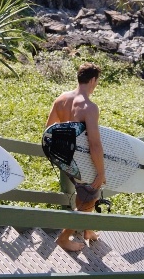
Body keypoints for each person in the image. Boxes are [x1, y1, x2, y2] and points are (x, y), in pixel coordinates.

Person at [45, 62, 106, 252]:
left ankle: (88, 231)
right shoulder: (89, 107)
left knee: (84, 197)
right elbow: (95, 145)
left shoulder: (61, 100)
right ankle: (64, 238)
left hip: (64, 160)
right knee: (88, 197)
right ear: (93, 80)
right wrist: (101, 172)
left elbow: (48, 131)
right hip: (82, 162)